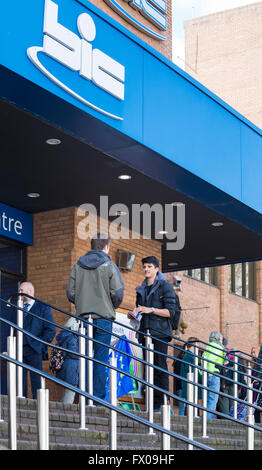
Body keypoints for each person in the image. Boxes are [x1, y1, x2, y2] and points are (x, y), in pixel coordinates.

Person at [66, 233, 124, 403]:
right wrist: (108, 304)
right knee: (100, 360)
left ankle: (84, 397)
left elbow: (71, 293)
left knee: (83, 358)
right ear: (106, 246)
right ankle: (97, 400)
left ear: (92, 246)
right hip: (103, 319)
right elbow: (118, 294)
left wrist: (83, 302)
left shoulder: (78, 266)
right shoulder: (110, 265)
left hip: (84, 318)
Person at [134, 255, 177, 411]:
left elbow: (170, 312)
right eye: (144, 266)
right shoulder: (141, 289)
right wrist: (134, 314)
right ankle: (152, 403)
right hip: (145, 332)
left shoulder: (166, 287)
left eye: (149, 266)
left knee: (159, 367)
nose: (146, 269)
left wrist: (151, 309)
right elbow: (139, 310)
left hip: (159, 333)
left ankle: (163, 404)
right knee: (148, 368)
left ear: (157, 269)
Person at [19, 282, 56, 399]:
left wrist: (40, 344)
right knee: (19, 379)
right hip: (18, 348)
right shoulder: (16, 307)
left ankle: (37, 404)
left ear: (30, 292)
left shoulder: (42, 307)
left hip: (35, 349)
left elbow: (51, 329)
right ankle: (19, 402)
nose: (19, 293)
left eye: (21, 290)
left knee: (36, 380)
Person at [55, 317, 80, 404]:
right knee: (70, 392)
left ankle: (64, 408)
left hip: (68, 366)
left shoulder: (65, 335)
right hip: (71, 367)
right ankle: (65, 409)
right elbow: (73, 353)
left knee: (68, 392)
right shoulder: (72, 336)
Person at [201, 331, 225, 419]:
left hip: (206, 374)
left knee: (207, 398)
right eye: (221, 339)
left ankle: (205, 416)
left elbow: (203, 360)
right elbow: (211, 360)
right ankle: (208, 418)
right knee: (213, 399)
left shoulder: (208, 347)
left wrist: (203, 373)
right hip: (213, 374)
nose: (222, 341)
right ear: (218, 339)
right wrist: (210, 375)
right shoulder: (218, 347)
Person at [179, 337, 201, 416]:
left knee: (191, 408)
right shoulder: (190, 357)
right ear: (192, 345)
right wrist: (203, 378)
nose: (198, 347)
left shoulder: (189, 356)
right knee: (191, 409)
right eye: (197, 345)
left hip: (190, 386)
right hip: (190, 386)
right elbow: (196, 373)